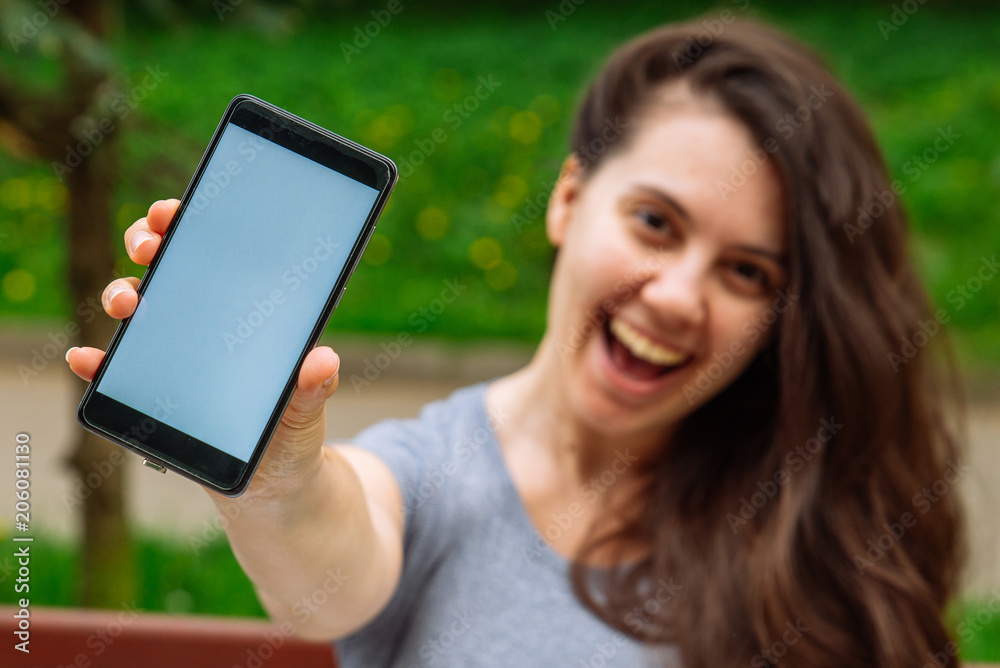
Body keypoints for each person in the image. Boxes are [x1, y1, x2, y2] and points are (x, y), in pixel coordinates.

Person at [66, 17, 965, 667]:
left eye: (747, 273)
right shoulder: (433, 477)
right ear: (569, 198)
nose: (680, 295)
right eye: (656, 221)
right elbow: (330, 569)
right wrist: (275, 482)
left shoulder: (813, 508)